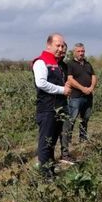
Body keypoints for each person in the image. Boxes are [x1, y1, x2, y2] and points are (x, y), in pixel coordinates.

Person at [32, 33, 71, 179]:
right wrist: (62, 90)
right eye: (58, 45)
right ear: (49, 45)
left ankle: (50, 169)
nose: (60, 48)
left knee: (52, 141)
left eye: (62, 45)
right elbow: (41, 83)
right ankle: (44, 174)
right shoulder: (41, 62)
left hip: (59, 108)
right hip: (47, 108)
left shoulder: (58, 64)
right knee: (45, 142)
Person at [61, 43, 97, 163]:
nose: (81, 53)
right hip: (76, 97)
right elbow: (70, 79)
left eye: (83, 51)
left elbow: (93, 76)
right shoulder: (70, 64)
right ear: (74, 52)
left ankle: (83, 139)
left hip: (88, 96)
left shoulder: (87, 64)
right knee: (71, 120)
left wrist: (91, 87)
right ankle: (68, 142)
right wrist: (83, 88)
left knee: (85, 119)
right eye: (79, 51)